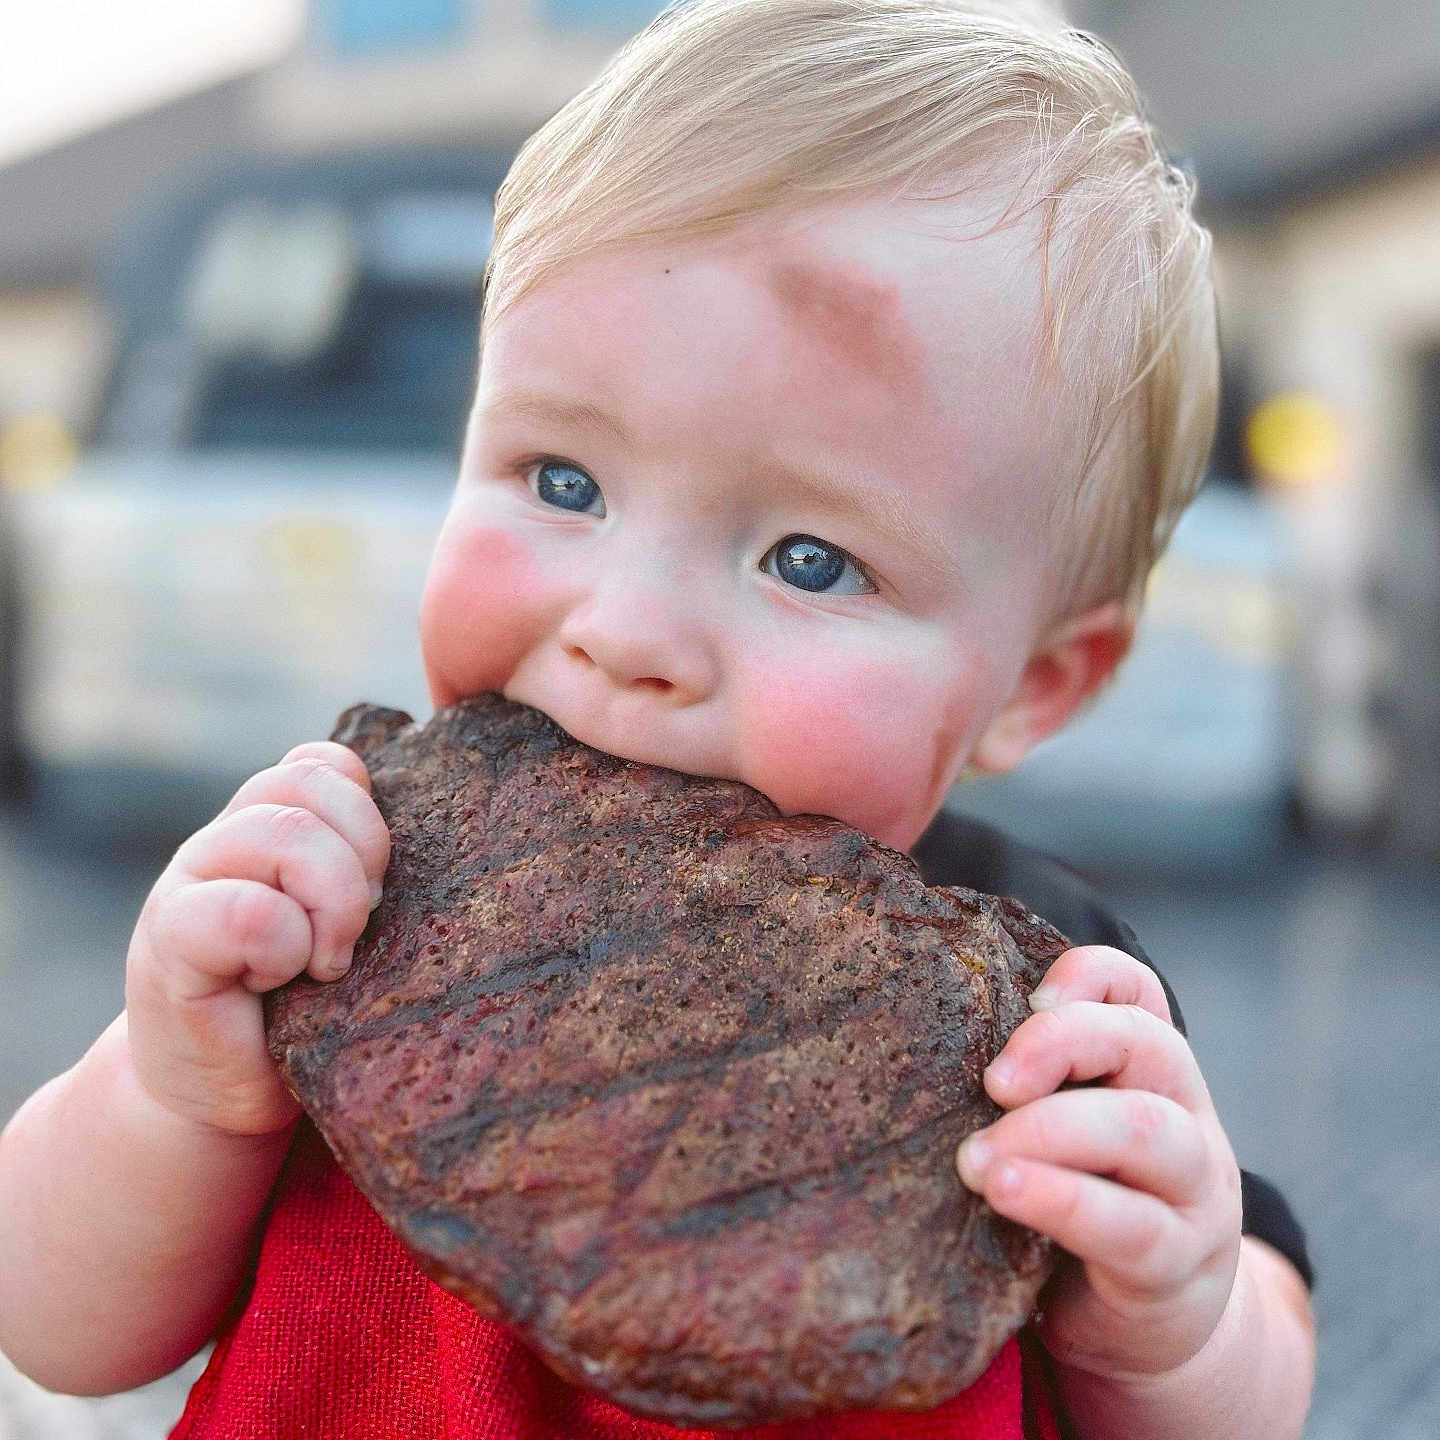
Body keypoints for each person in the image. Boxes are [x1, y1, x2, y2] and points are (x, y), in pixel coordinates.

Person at [0, 1, 1316, 1435]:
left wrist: (1170, 1324)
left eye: (811, 561)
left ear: (1037, 683)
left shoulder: (1048, 1008)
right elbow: (58, 1331)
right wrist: (176, 1094)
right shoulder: (336, 891)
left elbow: (1244, 1391)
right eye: (561, 480)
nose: (623, 631)